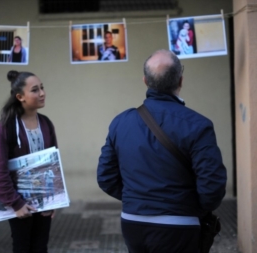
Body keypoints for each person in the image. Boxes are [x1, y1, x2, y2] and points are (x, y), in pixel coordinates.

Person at [97, 49, 227, 252]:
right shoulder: (198, 125)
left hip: (132, 222)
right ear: (180, 81)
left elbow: (105, 177)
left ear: (145, 81)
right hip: (179, 224)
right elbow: (212, 186)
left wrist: (138, 199)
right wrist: (190, 207)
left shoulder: (120, 122)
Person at [0, 70, 58, 253]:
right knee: (22, 247)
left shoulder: (46, 124)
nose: (42, 93)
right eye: (35, 90)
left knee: (40, 247)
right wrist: (16, 203)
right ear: (20, 96)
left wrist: (53, 202)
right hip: (19, 203)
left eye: (42, 88)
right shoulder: (4, 129)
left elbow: (53, 163)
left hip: (43, 202)